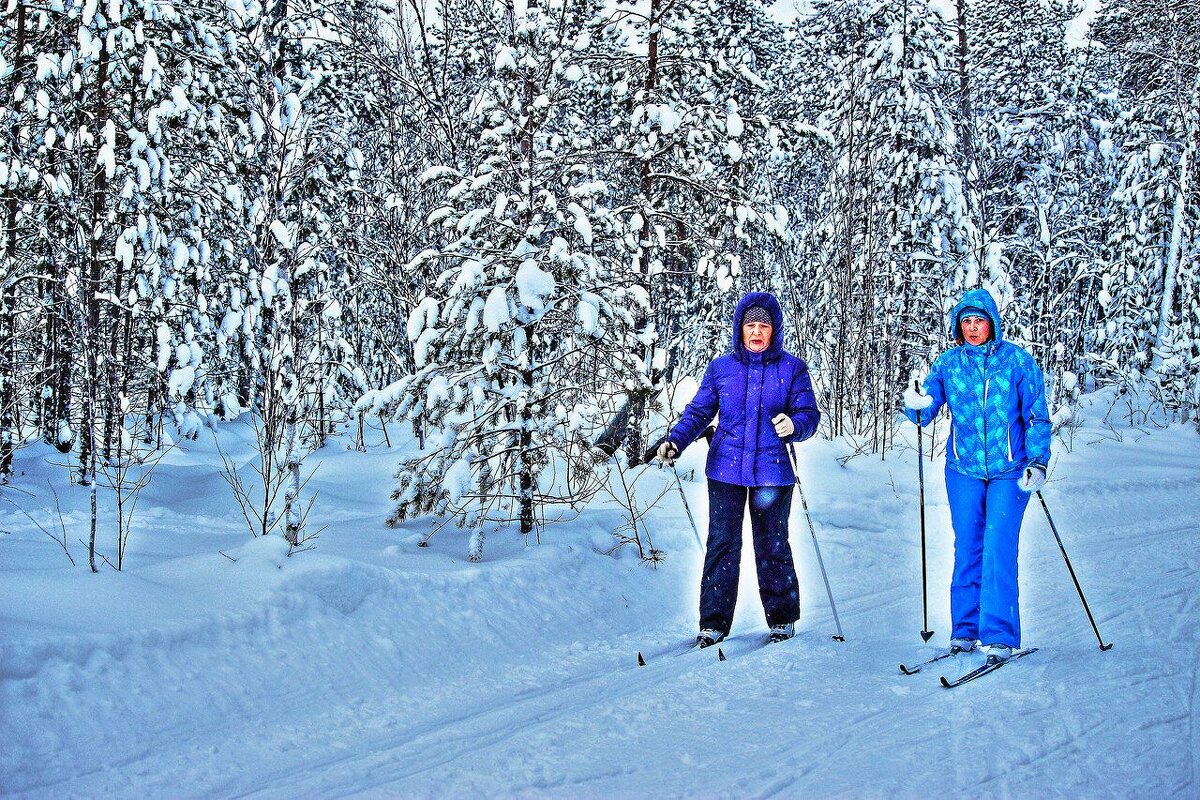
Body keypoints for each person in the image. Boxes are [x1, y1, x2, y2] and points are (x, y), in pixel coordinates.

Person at [653, 291, 821, 647]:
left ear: (774, 330)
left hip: (774, 472)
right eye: (750, 325)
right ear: (739, 329)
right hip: (726, 470)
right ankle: (713, 622)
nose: (757, 332)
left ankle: (782, 618)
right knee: (723, 543)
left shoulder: (792, 369)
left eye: (764, 325)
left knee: (772, 544)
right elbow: (698, 412)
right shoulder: (721, 368)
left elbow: (809, 415)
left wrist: (794, 425)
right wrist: (675, 442)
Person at [903, 287, 1052, 664]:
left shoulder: (1017, 362)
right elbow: (925, 410)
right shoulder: (949, 364)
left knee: (998, 545)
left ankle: (999, 634)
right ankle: (964, 632)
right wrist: (916, 403)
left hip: (1011, 471)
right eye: (966, 321)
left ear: (992, 324)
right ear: (958, 325)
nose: (972, 328)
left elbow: (1037, 415)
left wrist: (1037, 460)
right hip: (963, 470)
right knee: (967, 547)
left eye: (979, 321)